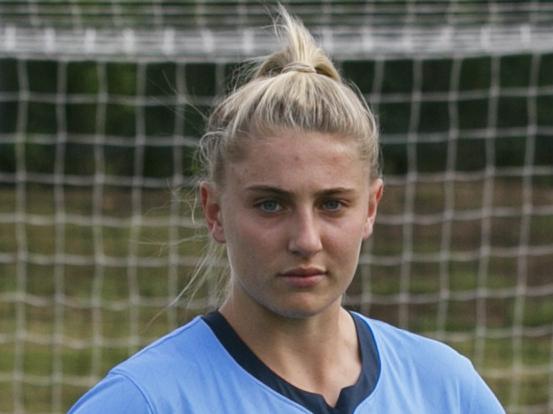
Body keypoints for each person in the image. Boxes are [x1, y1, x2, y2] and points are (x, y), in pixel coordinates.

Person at [69, 7, 505, 414]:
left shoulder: (446, 388)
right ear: (214, 212)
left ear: (371, 208)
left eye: (332, 204)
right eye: (271, 204)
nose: (306, 240)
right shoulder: (143, 400)